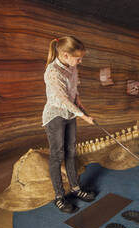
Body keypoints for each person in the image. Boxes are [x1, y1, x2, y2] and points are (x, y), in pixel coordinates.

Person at [42, 36, 96, 213]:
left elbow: (73, 90)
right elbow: (63, 100)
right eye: (78, 58)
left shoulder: (72, 67)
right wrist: (84, 116)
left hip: (70, 113)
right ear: (65, 55)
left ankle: (75, 188)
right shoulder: (52, 72)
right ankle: (59, 196)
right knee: (57, 155)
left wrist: (80, 104)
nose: (80, 62)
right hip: (55, 116)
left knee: (71, 151)